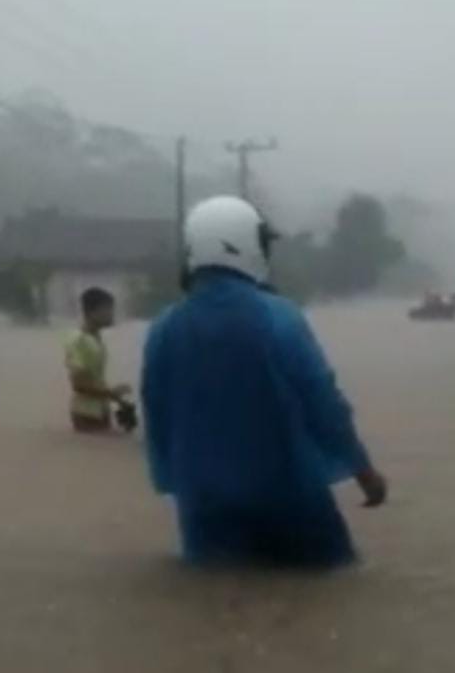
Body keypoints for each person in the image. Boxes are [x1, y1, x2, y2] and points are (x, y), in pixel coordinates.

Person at [142, 196, 388, 567]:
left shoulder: (164, 328)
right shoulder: (279, 318)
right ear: (245, 244)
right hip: (289, 497)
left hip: (205, 509)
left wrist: (176, 484)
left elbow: (156, 414)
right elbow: (323, 401)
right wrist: (364, 471)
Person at [64, 287, 130, 433]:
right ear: (92, 312)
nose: (112, 315)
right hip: (86, 414)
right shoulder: (79, 340)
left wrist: (117, 400)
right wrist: (112, 393)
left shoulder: (95, 339)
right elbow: (79, 384)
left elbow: (94, 379)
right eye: (108, 310)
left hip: (99, 411)